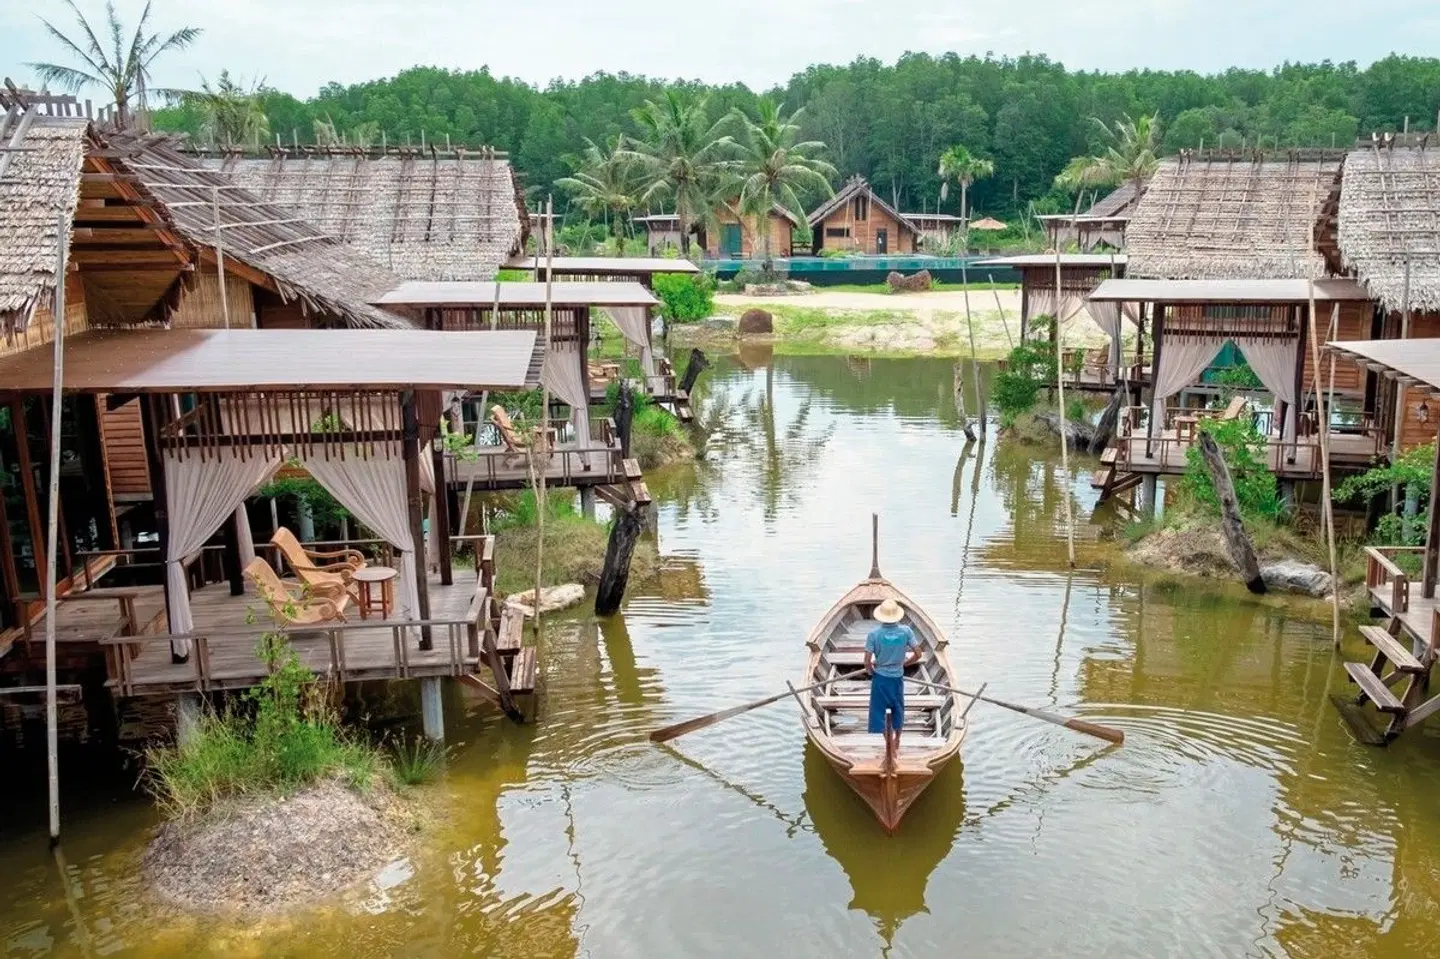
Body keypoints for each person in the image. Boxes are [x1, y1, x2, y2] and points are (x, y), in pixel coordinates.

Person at [864, 599, 921, 737]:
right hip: (897, 677)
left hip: (880, 678)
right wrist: (904, 663)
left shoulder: (874, 634)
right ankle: (897, 741)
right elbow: (918, 654)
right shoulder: (906, 631)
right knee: (898, 708)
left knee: (879, 710)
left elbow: (866, 662)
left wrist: (872, 672)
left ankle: (887, 741)